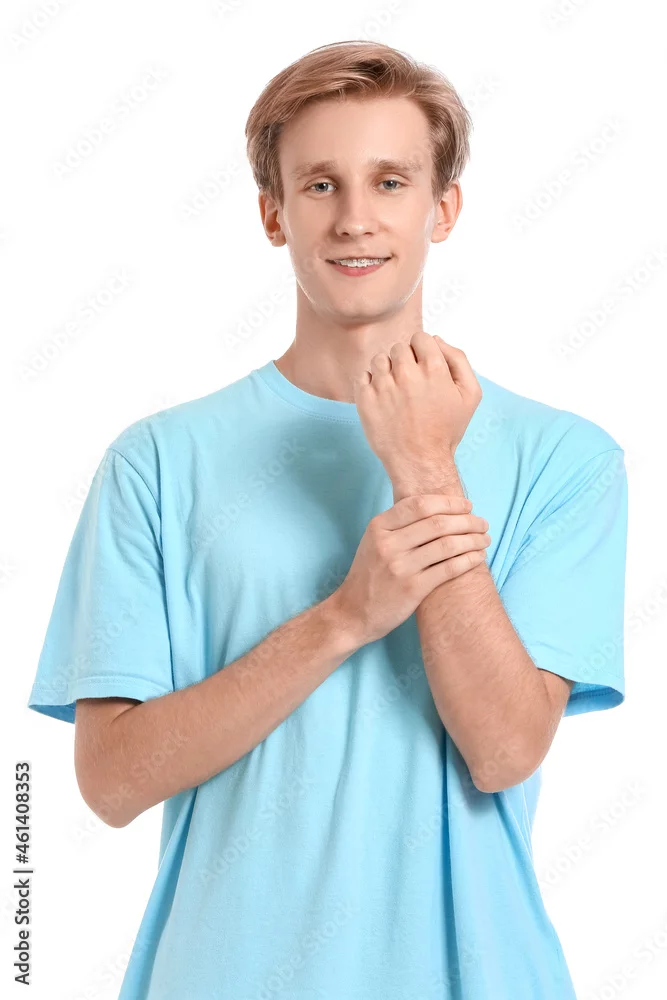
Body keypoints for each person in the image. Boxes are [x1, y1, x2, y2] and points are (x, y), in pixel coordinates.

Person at [27, 40, 628, 1000]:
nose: (354, 218)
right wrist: (345, 617)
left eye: (389, 181)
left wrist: (424, 468)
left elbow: (504, 750)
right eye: (319, 185)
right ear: (274, 213)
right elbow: (112, 783)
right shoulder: (156, 462)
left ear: (442, 209)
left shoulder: (566, 459)